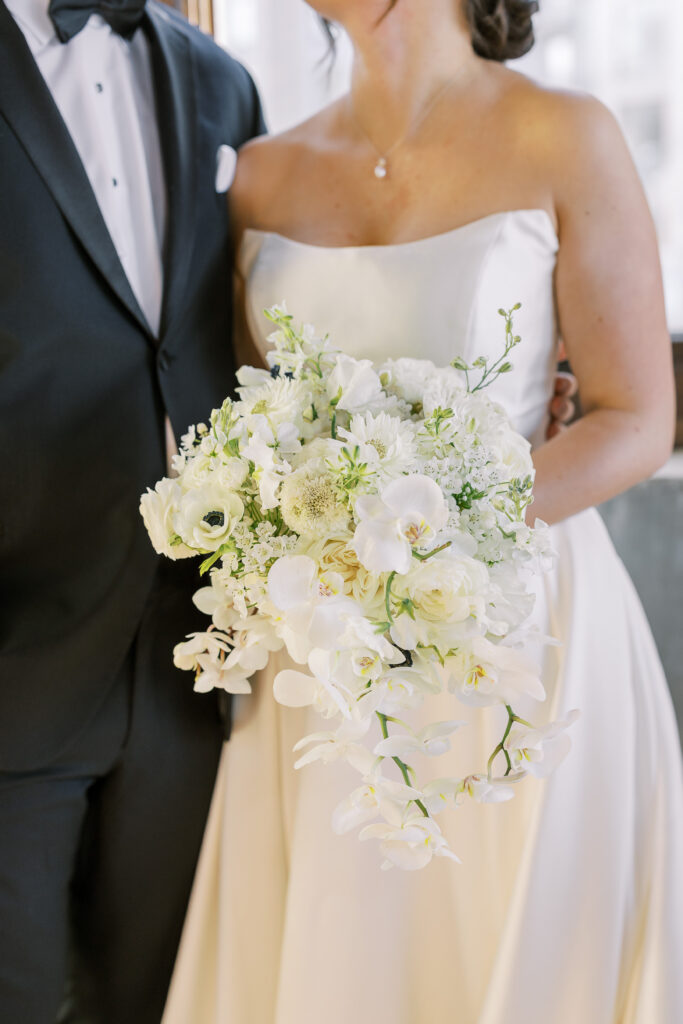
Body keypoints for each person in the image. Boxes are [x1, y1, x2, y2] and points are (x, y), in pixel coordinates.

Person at [162, 1, 683, 1022]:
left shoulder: (562, 134)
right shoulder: (261, 174)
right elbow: (249, 427)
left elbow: (634, 417)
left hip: (524, 636)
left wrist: (437, 533)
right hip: (326, 665)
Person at [0, 1, 265, 1021]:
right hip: (20, 634)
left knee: (161, 996)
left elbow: (264, 314)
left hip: (191, 652)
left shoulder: (222, 81)